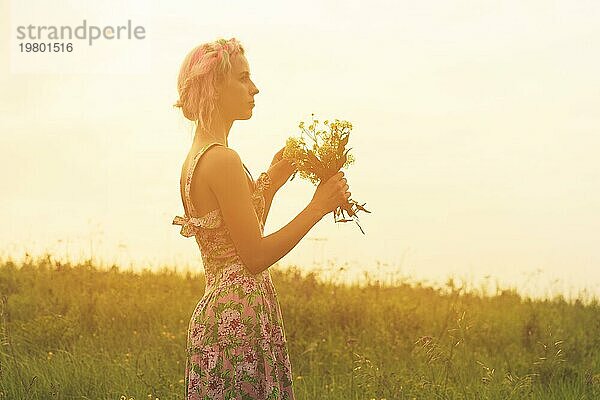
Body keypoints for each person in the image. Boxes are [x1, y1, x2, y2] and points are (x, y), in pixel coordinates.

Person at [172, 37, 351, 400]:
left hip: (225, 313)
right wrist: (318, 206)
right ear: (215, 88)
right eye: (243, 78)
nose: (254, 88)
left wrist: (273, 176)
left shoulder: (199, 157)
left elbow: (237, 237)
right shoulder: (222, 160)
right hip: (238, 318)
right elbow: (254, 256)